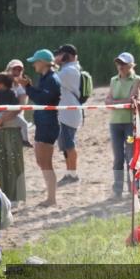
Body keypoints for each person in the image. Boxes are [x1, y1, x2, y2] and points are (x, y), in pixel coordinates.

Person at [18, 50, 61, 206]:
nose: (34, 64)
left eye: (36, 62)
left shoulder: (52, 79)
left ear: (43, 62)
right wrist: (28, 86)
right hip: (43, 123)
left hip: (49, 124)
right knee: (41, 161)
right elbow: (41, 96)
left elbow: (43, 99)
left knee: (46, 162)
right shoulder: (45, 77)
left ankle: (52, 198)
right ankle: (50, 196)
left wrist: (28, 87)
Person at [106, 52, 140, 201]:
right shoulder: (113, 80)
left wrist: (114, 103)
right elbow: (107, 101)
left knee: (131, 156)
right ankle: (117, 190)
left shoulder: (136, 79)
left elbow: (131, 100)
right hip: (115, 124)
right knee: (118, 157)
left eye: (124, 64)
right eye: (119, 63)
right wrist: (119, 103)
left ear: (130, 65)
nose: (120, 66)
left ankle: (133, 189)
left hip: (130, 124)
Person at [0, 74, 26, 204]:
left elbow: (17, 108)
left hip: (12, 130)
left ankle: (15, 196)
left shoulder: (15, 92)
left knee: (13, 163)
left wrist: (1, 119)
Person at [53, 44, 83, 187]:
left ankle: (73, 174)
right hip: (65, 113)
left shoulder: (70, 70)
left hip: (69, 113)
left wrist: (52, 64)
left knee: (69, 144)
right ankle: (69, 172)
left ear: (68, 55)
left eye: (60, 54)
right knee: (65, 145)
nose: (58, 57)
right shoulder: (67, 69)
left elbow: (53, 80)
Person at [0, 60, 31, 150]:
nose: (17, 71)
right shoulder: (1, 85)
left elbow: (19, 107)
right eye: (14, 69)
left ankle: (25, 141)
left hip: (14, 123)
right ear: (8, 70)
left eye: (19, 69)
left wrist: (2, 119)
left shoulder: (22, 88)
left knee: (14, 153)